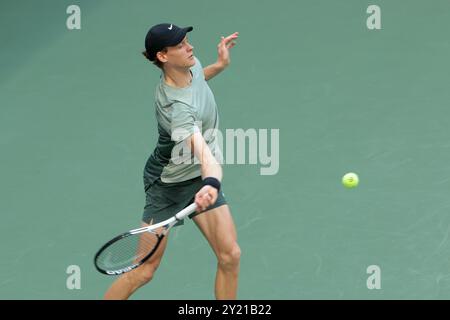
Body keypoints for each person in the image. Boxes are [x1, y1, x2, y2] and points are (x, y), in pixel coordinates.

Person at [104, 23, 240, 300]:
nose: (190, 48)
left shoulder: (190, 66)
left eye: (187, 41)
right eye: (180, 45)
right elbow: (207, 160)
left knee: (230, 256)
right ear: (163, 57)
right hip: (168, 184)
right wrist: (211, 184)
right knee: (144, 271)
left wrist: (221, 65)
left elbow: (199, 80)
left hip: (199, 178)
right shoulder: (177, 111)